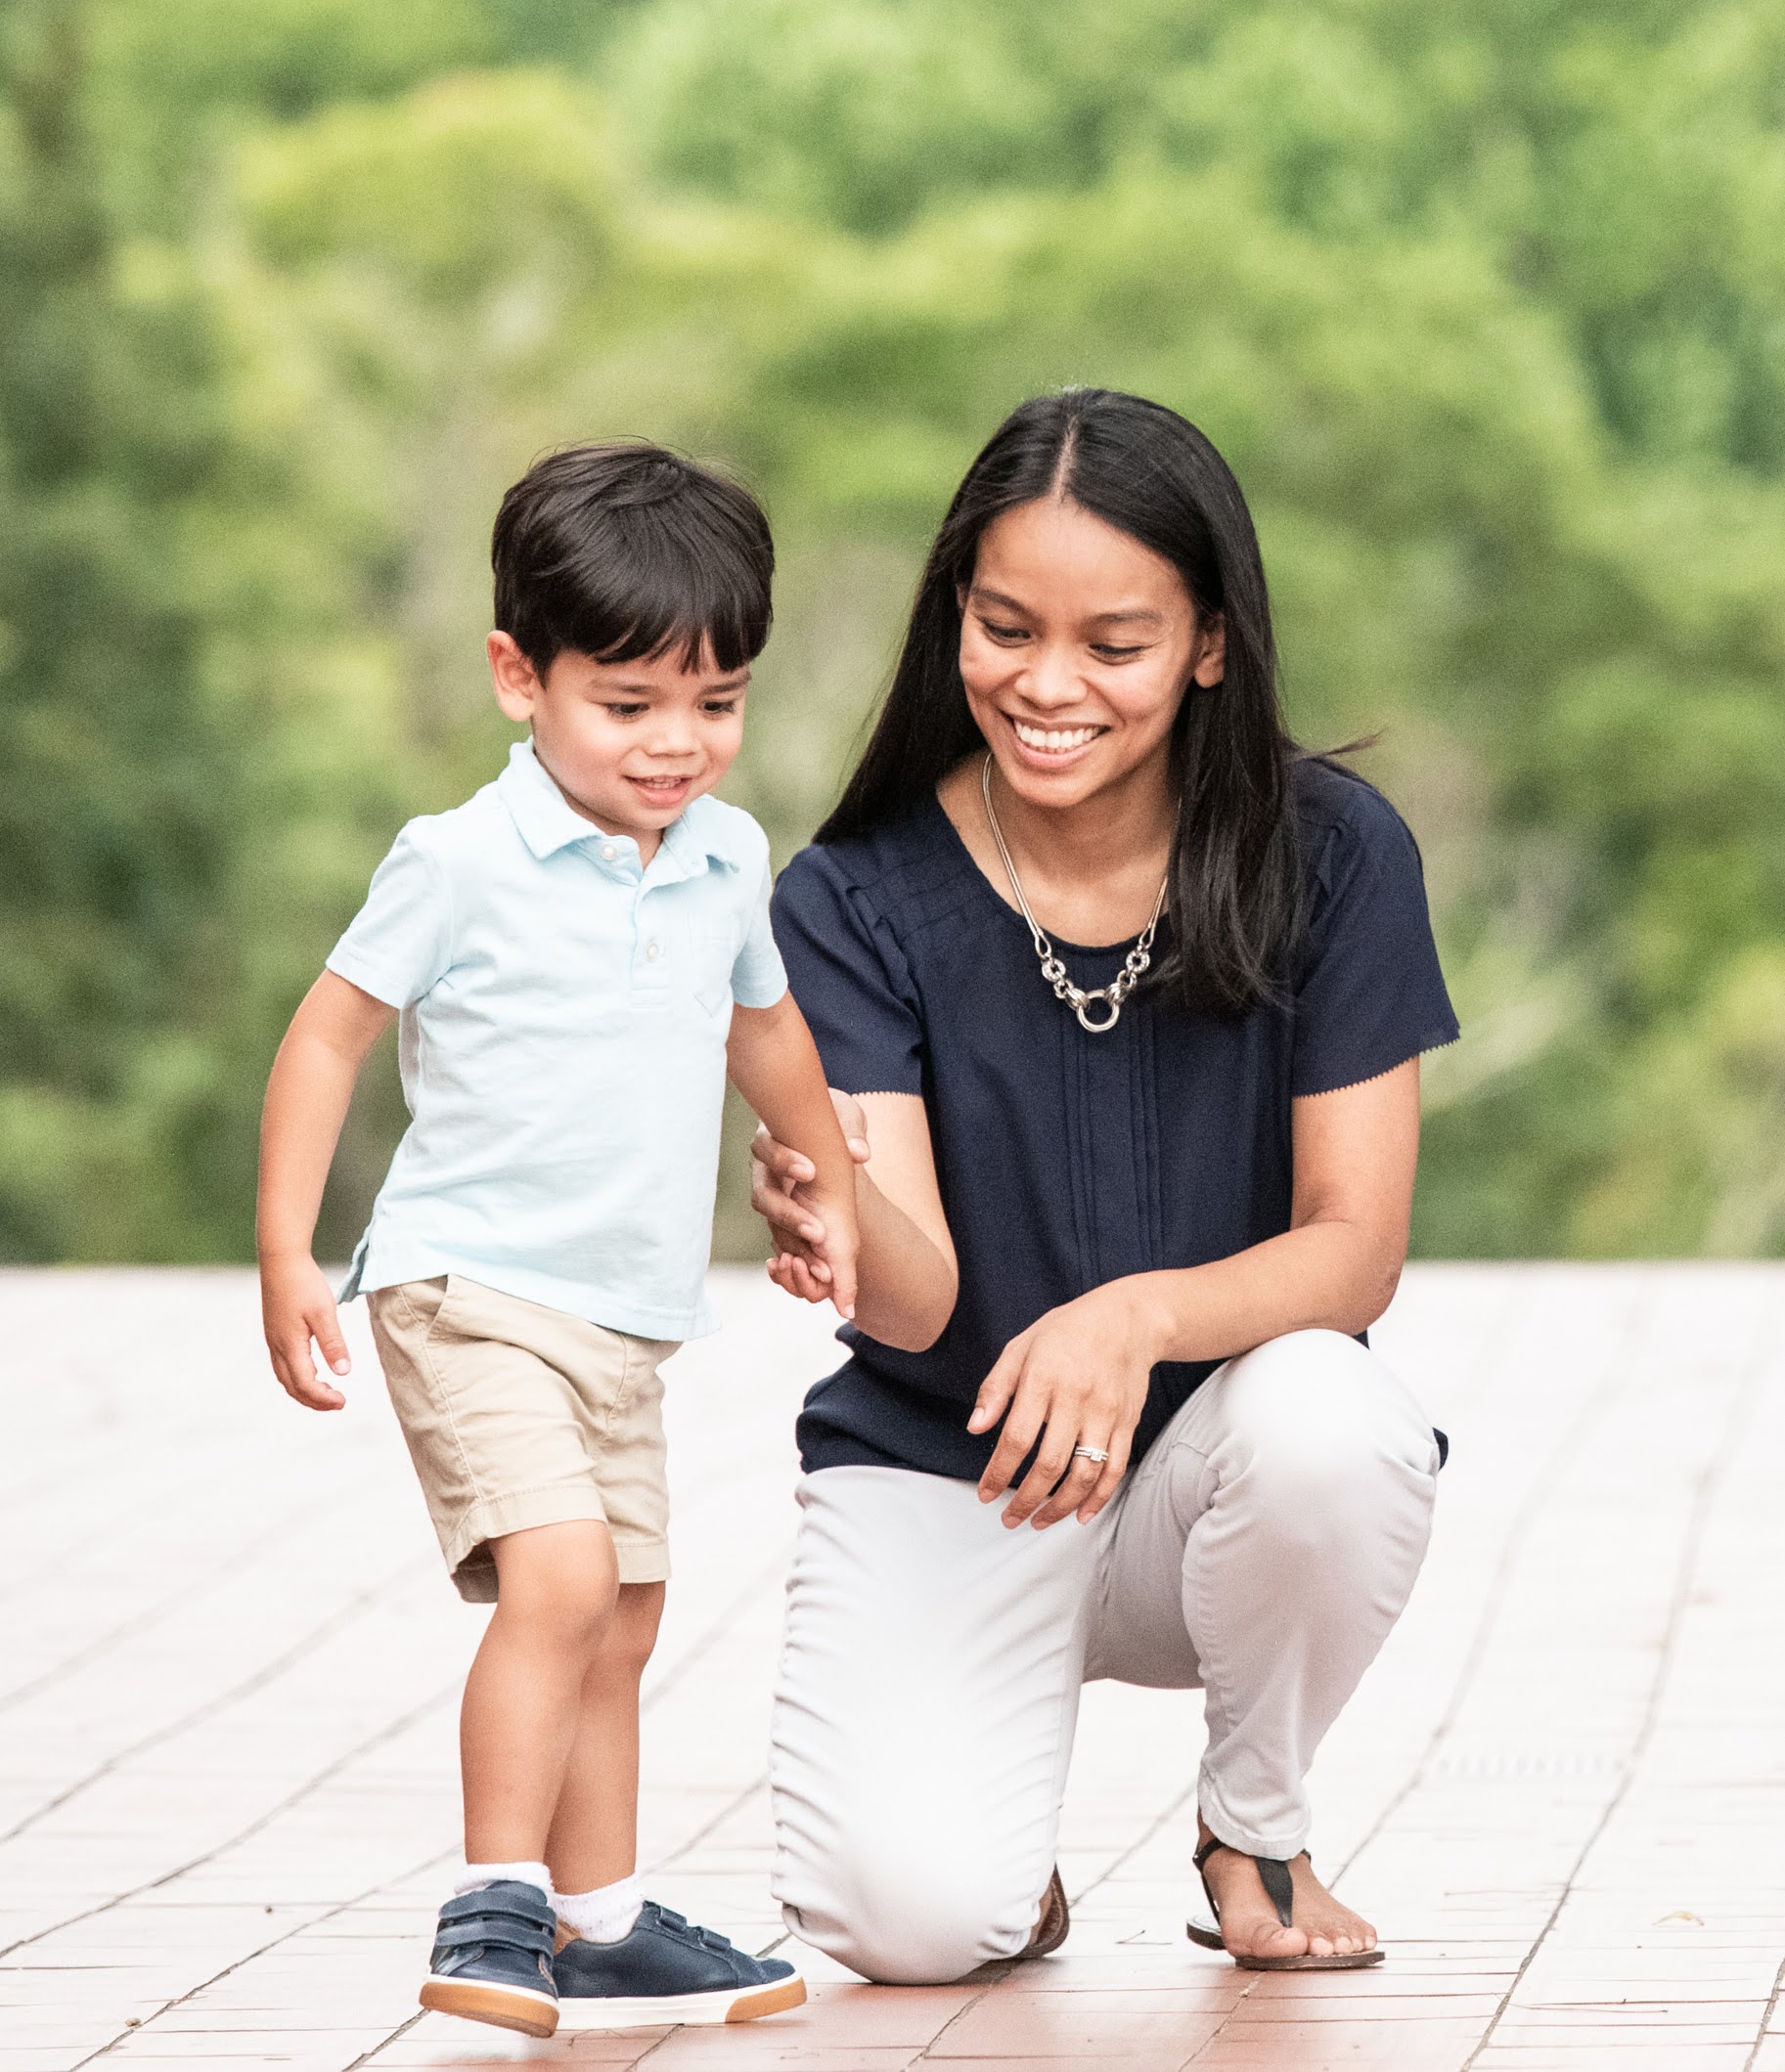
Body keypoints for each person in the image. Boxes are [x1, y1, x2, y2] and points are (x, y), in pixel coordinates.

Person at [749, 386, 1458, 1982]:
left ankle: (1251, 1819)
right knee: (910, 1923)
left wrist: (1128, 1319)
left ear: (1208, 643)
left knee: (1333, 1422)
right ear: (955, 621)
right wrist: (831, 1214)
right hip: (957, 1468)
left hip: (1213, 1478)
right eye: (1003, 626)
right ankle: (997, 1842)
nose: (1044, 684)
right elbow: (916, 1290)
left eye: (1112, 643)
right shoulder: (850, 895)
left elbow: (1353, 1253)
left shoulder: (1330, 853)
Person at [255, 441, 858, 2039]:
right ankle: (495, 1898)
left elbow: (768, 1029)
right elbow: (325, 1039)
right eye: (631, 702)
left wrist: (828, 1177)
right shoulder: (455, 859)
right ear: (521, 677)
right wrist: (285, 1246)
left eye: (715, 702)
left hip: (626, 1314)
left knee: (630, 1608)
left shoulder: (728, 855)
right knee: (564, 1576)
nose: (678, 744)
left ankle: (596, 1922)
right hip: (468, 1287)